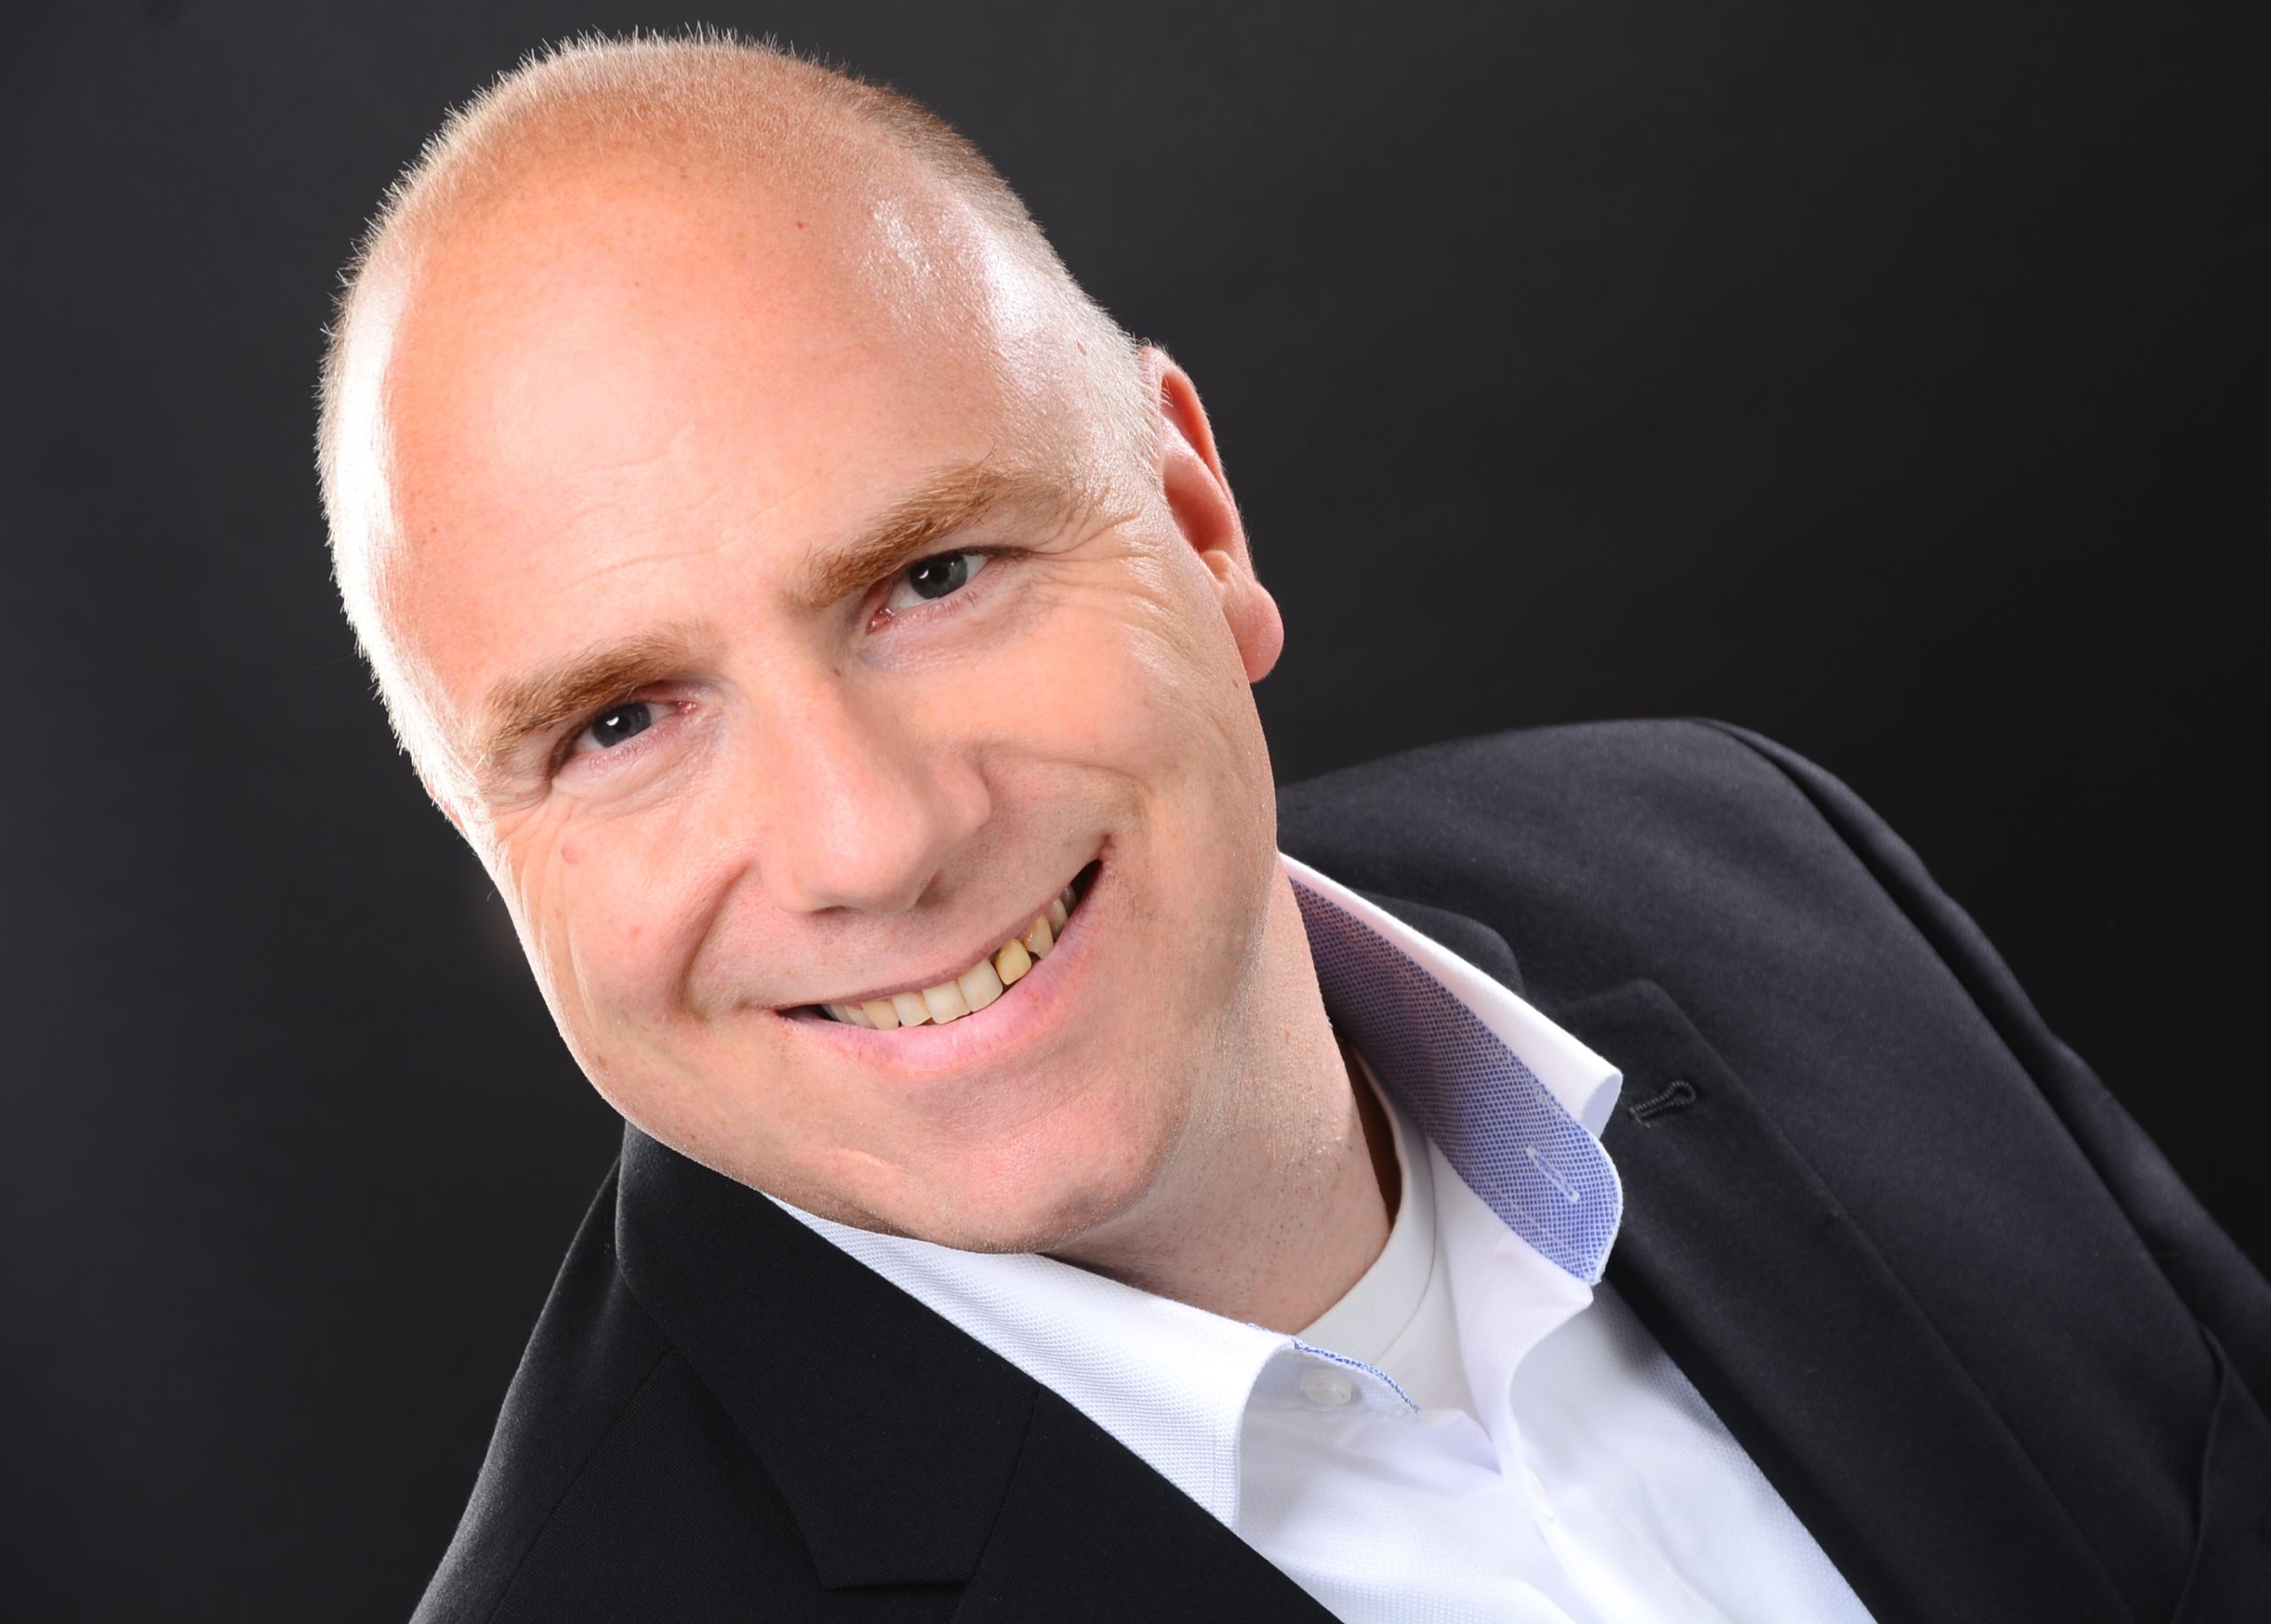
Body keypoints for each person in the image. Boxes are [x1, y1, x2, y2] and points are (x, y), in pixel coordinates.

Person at [317, 33, 2267, 1624]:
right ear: (487, 844)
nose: (870, 840)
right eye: (620, 724)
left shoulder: (1756, 861)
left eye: (933, 576)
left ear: (1195, 520)